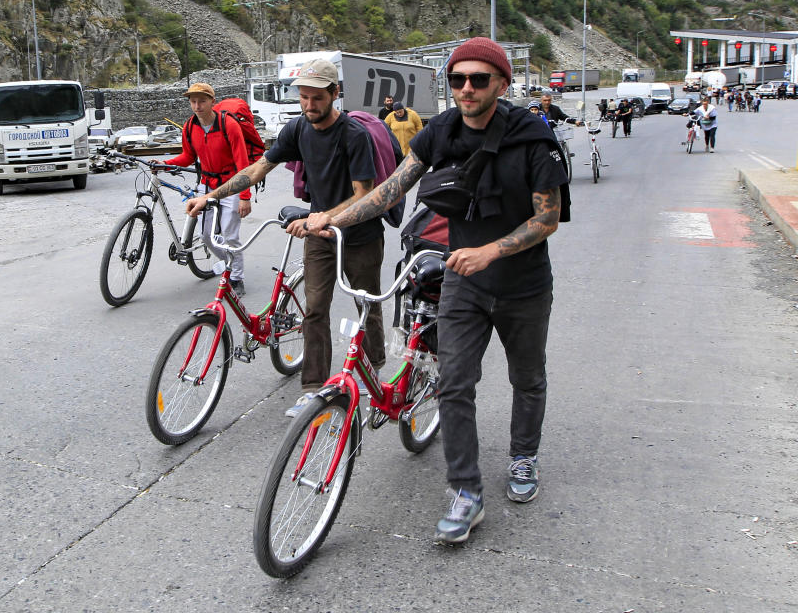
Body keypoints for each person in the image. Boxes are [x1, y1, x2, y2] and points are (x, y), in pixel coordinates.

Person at [304, 37, 566, 544]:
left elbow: (547, 217)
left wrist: (491, 251)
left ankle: (523, 457)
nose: (466, 89)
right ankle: (465, 492)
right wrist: (331, 220)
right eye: (457, 79)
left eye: (479, 79)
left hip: (522, 285)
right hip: (463, 284)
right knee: (454, 383)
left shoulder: (532, 136)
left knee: (527, 377)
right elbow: (390, 190)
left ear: (502, 84)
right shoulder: (441, 131)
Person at [183, 59, 386, 417]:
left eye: (317, 98)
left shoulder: (355, 135)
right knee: (315, 308)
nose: (309, 105)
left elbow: (363, 194)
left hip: (360, 235)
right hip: (318, 234)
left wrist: (323, 216)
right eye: (304, 97)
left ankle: (373, 374)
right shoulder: (298, 129)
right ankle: (314, 388)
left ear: (335, 94)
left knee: (365, 305)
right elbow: (259, 167)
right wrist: (212, 196)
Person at [165, 83, 252, 296]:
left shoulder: (228, 125)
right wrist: (164, 163)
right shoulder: (189, 127)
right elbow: (187, 157)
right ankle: (229, 263)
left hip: (231, 185)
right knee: (206, 237)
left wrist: (245, 196)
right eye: (193, 101)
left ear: (213, 102)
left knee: (230, 236)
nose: (197, 106)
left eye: (202, 101)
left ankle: (237, 277)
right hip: (207, 185)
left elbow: (243, 163)